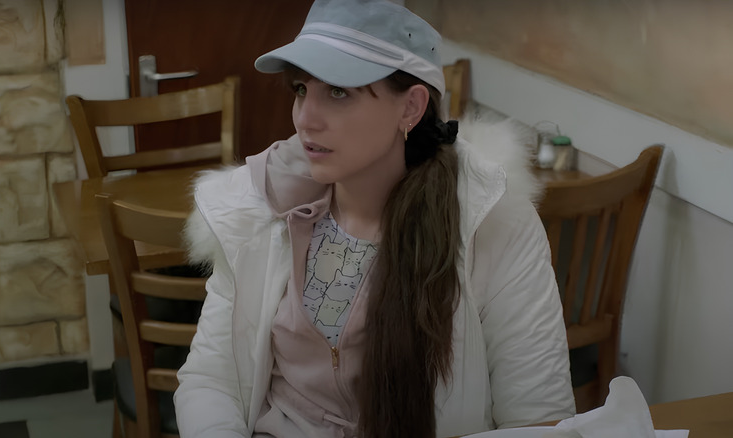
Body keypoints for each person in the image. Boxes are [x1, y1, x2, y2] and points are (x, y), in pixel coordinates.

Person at [175, 1, 575, 437]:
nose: (305, 119)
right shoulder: (261, 209)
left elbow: (539, 419)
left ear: (410, 108)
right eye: (301, 90)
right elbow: (210, 379)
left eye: (338, 92)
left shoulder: (492, 227)